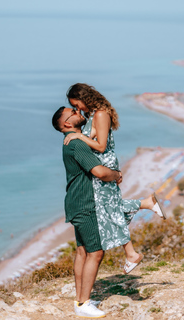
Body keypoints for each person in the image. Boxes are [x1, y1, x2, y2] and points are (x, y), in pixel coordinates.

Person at [64, 83, 168, 274]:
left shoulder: (101, 114)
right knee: (108, 207)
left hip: (104, 165)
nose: (78, 109)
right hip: (100, 165)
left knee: (107, 208)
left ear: (84, 97)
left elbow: (101, 146)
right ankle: (145, 205)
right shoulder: (93, 115)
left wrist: (78, 138)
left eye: (77, 104)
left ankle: (132, 252)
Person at [52, 106, 119, 318]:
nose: (77, 110)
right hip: (85, 203)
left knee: (82, 251)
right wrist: (116, 174)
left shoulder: (74, 140)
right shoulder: (77, 144)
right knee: (96, 252)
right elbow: (99, 172)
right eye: (72, 111)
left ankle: (81, 299)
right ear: (67, 123)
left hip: (76, 201)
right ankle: (83, 303)